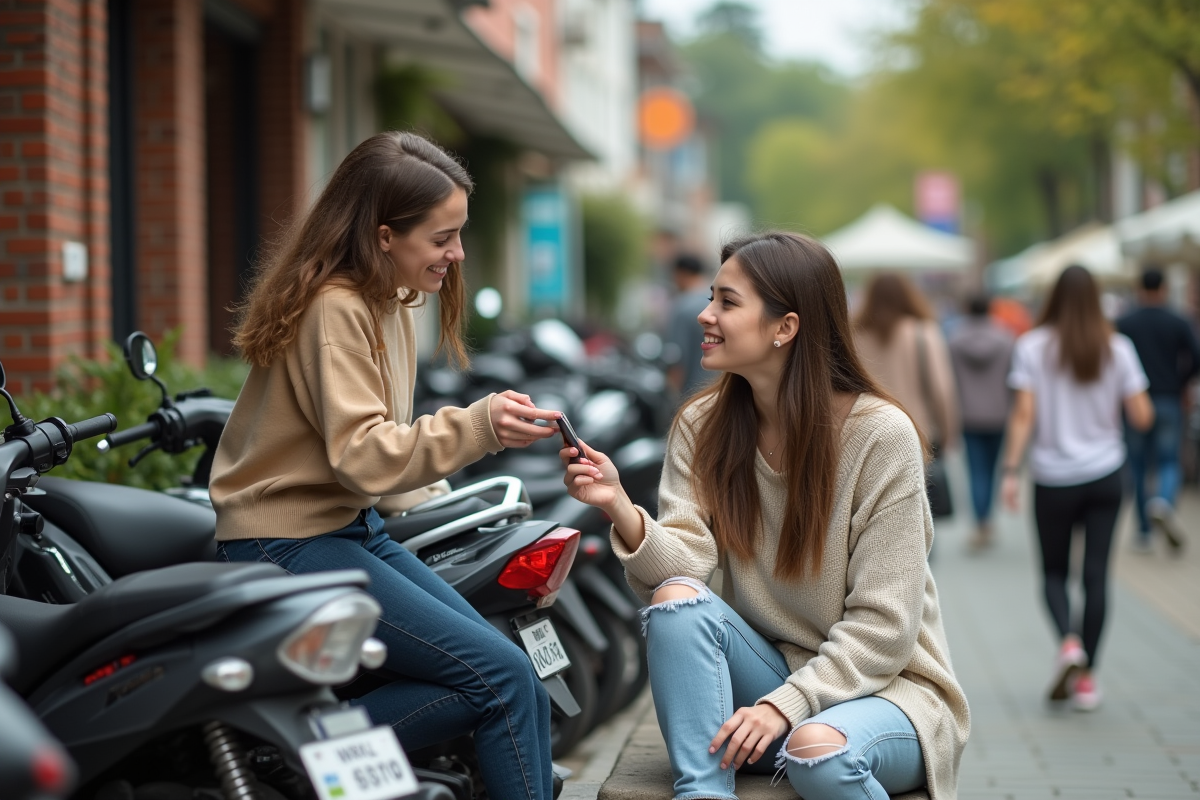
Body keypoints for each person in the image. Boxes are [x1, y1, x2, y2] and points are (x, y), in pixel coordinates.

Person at [208, 132, 563, 799]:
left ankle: (312, 751)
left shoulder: (389, 303)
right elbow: (364, 456)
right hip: (285, 542)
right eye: (442, 238)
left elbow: (373, 454)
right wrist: (479, 426)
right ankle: (298, 754)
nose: (456, 254)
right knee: (504, 683)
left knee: (513, 677)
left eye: (458, 235)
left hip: (347, 529)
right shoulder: (336, 309)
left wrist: (455, 500)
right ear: (383, 236)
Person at [560, 232, 969, 800]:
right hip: (770, 680)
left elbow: (885, 629)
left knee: (818, 754)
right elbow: (688, 565)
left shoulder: (881, 436)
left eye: (728, 302)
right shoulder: (702, 426)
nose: (704, 315)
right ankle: (702, 793)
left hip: (887, 693)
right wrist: (617, 505)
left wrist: (788, 706)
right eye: (711, 297)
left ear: (785, 327)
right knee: (675, 602)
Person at [1000, 265, 1153, 712]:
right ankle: (1087, 681)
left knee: (1053, 573)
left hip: (1052, 478)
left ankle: (1069, 644)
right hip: (1107, 473)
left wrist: (1011, 470)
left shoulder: (1032, 347)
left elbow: (1024, 416)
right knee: (1097, 575)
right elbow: (1142, 416)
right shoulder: (1118, 348)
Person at [854, 273, 960, 521]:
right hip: (918, 434)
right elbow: (942, 390)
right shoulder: (924, 333)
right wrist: (947, 433)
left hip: (865, 433)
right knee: (918, 514)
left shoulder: (855, 334)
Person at [1116, 266, 1200, 552]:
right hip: (1167, 398)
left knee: (1138, 465)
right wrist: (1180, 382)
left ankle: (1143, 530)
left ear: (1139, 289)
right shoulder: (1178, 320)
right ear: (1163, 289)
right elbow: (1196, 357)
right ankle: (1163, 501)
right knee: (1168, 461)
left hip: (1133, 401)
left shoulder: (1125, 322)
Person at [947, 294, 1015, 550]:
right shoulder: (1006, 338)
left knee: (976, 471)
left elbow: (949, 379)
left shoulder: (954, 340)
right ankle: (987, 519)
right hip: (999, 412)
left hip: (968, 413)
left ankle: (980, 522)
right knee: (993, 468)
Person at [665, 253, 718, 401]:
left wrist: (671, 398)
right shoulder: (717, 302)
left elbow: (676, 359)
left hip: (692, 395)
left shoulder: (682, 306)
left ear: (680, 274)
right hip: (718, 391)